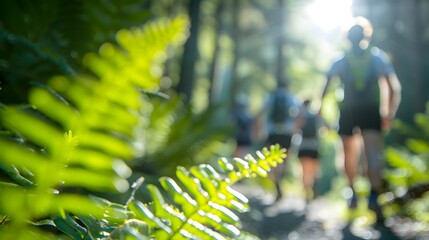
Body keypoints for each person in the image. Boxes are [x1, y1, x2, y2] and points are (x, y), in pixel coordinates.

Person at [319, 17, 402, 220]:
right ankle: (374, 195)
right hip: (372, 111)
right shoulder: (377, 58)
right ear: (367, 36)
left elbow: (325, 88)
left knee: (348, 153)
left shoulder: (340, 59)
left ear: (348, 38)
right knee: (372, 152)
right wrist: (388, 112)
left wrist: (321, 114)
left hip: (347, 111)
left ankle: (352, 192)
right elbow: (393, 87)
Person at [259, 81, 302, 202]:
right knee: (284, 158)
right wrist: (295, 130)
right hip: (286, 133)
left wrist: (259, 130)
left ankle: (276, 181)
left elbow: (261, 112)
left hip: (272, 132)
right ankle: (281, 175)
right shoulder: (290, 97)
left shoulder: (271, 97)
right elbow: (299, 113)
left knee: (272, 159)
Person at [297, 99, 325, 203]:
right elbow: (326, 128)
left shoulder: (301, 115)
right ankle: (313, 187)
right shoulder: (316, 116)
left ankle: (306, 193)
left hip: (303, 146)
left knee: (304, 171)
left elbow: (295, 128)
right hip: (314, 146)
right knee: (314, 171)